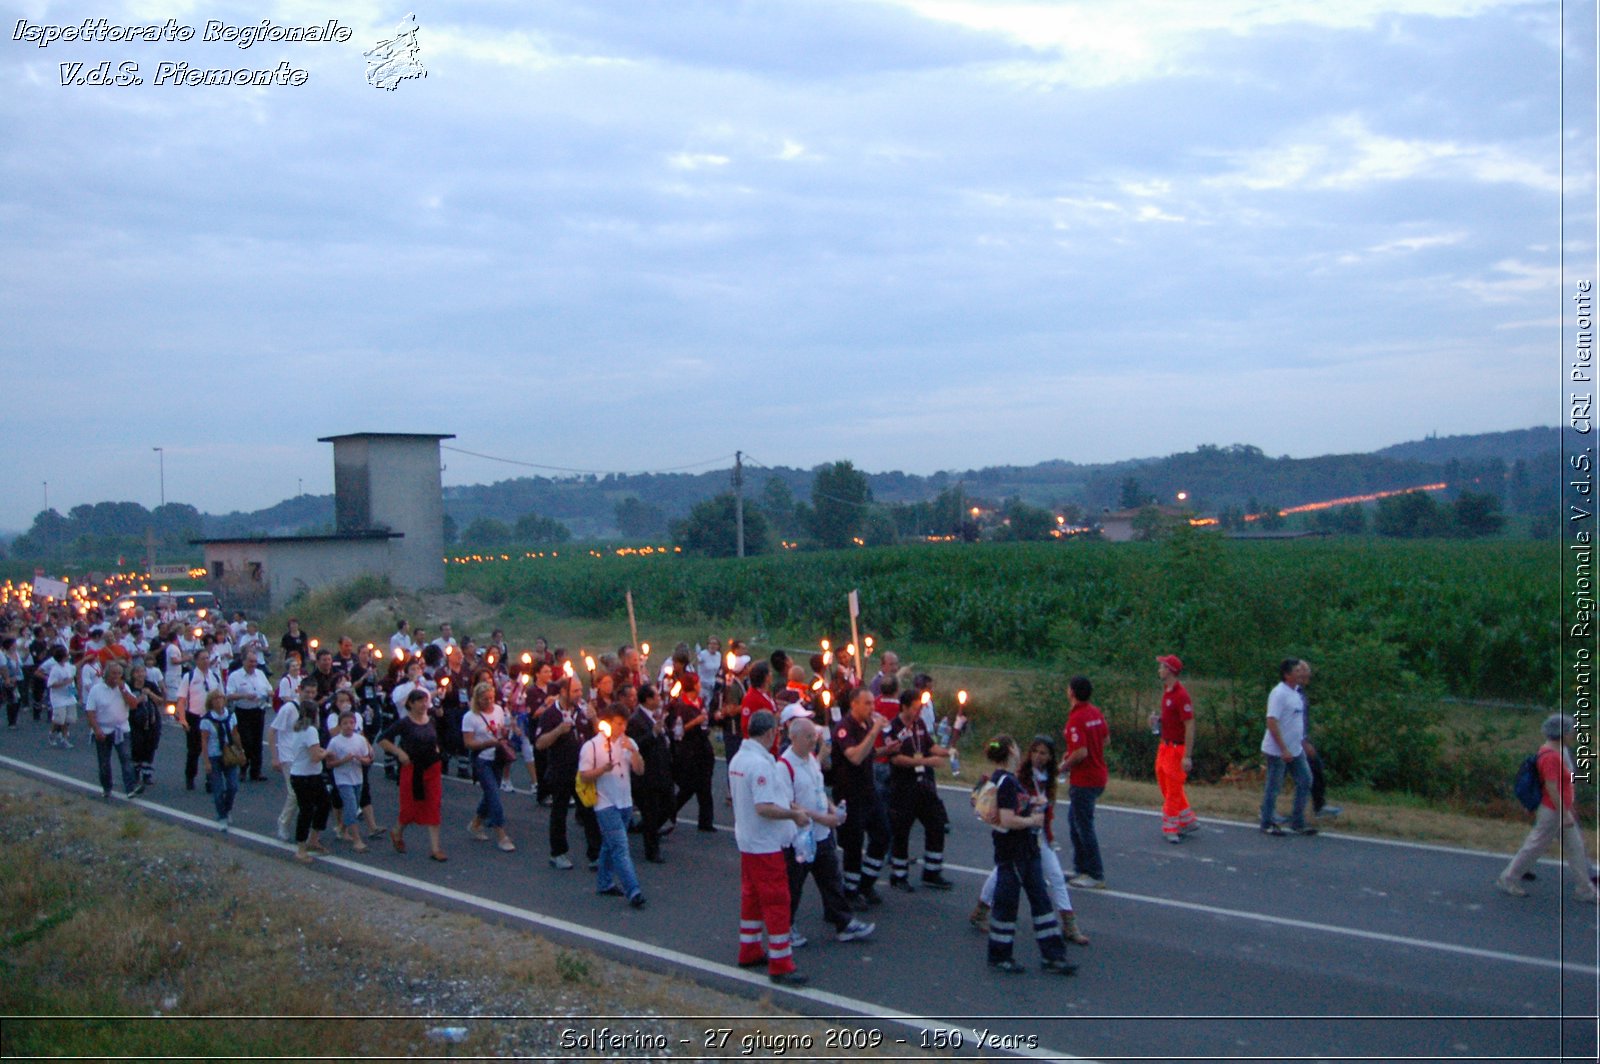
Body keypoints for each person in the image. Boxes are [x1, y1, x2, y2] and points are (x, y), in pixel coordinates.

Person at [980, 734, 1076, 976]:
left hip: (1027, 849)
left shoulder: (1004, 780)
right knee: (1006, 904)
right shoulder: (1007, 782)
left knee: (1041, 900)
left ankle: (1053, 954)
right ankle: (999, 954)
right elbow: (1007, 819)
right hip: (1013, 851)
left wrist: (1033, 806)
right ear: (1012, 751)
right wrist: (1032, 819)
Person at [730, 709, 811, 986]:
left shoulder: (739, 759)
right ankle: (781, 961)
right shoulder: (761, 764)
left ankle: (749, 946)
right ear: (768, 734)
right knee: (777, 900)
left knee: (751, 896)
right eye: (775, 732)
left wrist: (787, 805)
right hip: (765, 843)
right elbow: (763, 806)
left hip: (747, 839)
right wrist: (793, 815)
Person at [781, 717, 875, 946]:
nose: (813, 741)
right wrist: (823, 817)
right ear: (793, 738)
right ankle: (785, 926)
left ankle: (843, 922)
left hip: (822, 835)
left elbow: (819, 790)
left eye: (814, 736)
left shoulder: (812, 761)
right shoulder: (784, 766)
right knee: (793, 885)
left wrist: (832, 808)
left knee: (832, 881)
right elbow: (789, 804)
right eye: (808, 737)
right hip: (799, 838)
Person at [1498, 714, 1598, 901]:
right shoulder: (1551, 757)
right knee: (1535, 846)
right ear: (1562, 734)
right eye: (1572, 732)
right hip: (1553, 811)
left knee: (1575, 848)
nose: (1574, 735)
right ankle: (1508, 878)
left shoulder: (1557, 752)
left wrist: (1568, 810)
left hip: (1559, 810)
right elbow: (1552, 787)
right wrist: (1564, 814)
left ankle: (1585, 890)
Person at [579, 703, 647, 907]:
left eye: (624, 724)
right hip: (605, 803)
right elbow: (584, 775)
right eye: (618, 724)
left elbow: (640, 770)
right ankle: (633, 889)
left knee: (610, 845)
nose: (622, 728)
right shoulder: (591, 745)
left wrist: (633, 752)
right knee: (620, 846)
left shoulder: (628, 742)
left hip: (625, 802)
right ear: (608, 723)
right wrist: (602, 769)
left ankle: (604, 882)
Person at [884, 689, 953, 891]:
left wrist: (948, 752)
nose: (918, 712)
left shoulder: (919, 724)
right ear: (904, 707)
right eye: (915, 708)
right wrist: (925, 761)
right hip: (903, 786)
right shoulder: (892, 728)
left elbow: (930, 746)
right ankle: (899, 874)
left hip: (924, 786)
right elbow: (895, 758)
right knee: (901, 831)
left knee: (936, 823)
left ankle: (932, 871)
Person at [833, 687, 892, 908]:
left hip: (868, 791)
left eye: (873, 704)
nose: (872, 708)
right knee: (853, 844)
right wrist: (874, 732)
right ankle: (850, 889)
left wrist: (883, 751)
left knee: (882, 835)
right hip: (850, 794)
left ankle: (867, 882)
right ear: (854, 704)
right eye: (867, 704)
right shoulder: (844, 728)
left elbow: (867, 754)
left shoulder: (866, 725)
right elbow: (855, 757)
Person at [536, 675, 600, 869]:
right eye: (575, 691)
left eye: (581, 690)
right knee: (559, 812)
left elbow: (598, 735)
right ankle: (558, 852)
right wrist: (558, 731)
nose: (579, 695)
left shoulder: (582, 711)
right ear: (563, 692)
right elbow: (539, 744)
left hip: (582, 771)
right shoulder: (550, 715)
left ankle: (596, 854)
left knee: (589, 812)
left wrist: (595, 718)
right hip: (561, 771)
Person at [378, 688, 447, 862]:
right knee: (410, 807)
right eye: (420, 701)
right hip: (413, 768)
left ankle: (435, 848)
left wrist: (437, 750)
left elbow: (435, 738)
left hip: (431, 766)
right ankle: (398, 831)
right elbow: (383, 739)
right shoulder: (405, 723)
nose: (425, 704)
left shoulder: (430, 720)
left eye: (426, 701)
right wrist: (399, 752)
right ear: (411, 703)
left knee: (433, 804)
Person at [1260, 659, 1317, 837]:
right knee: (1274, 785)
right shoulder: (1279, 693)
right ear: (1287, 675)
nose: (1301, 674)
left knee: (1306, 780)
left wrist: (1301, 742)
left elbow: (1296, 721)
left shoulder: (1296, 693)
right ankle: (1267, 822)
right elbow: (1271, 721)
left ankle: (1297, 821)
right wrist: (1283, 748)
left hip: (1295, 748)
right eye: (1296, 671)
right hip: (1279, 750)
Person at [1062, 675, 1109, 889]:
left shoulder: (1077, 718)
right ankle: (1081, 868)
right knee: (1075, 821)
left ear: (1072, 692)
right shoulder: (1095, 713)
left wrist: (1063, 766)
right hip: (1098, 774)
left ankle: (1095, 872)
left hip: (1085, 779)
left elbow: (1080, 752)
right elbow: (1105, 739)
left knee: (1083, 825)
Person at [1150, 655, 1200, 843]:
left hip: (1176, 748)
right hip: (1165, 745)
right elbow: (1171, 719)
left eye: (1162, 667)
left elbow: (1189, 724)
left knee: (1173, 787)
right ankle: (1187, 818)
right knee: (1164, 782)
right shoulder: (1167, 692)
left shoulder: (1181, 695)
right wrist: (1158, 722)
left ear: (1170, 670)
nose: (1159, 670)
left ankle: (1171, 825)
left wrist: (1186, 755)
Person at [462, 681, 516, 852]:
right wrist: (486, 743)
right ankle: (501, 833)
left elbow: (502, 730)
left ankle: (476, 823)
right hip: (482, 759)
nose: (489, 702)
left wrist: (505, 734)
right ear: (477, 700)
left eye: (491, 698)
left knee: (490, 793)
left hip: (497, 758)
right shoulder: (470, 717)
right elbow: (468, 742)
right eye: (485, 700)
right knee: (493, 795)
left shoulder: (499, 710)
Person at [626, 682, 674, 864]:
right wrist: (653, 734)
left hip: (662, 771)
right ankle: (651, 849)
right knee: (651, 811)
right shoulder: (636, 720)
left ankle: (647, 829)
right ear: (647, 699)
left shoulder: (655, 716)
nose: (659, 699)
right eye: (656, 696)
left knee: (669, 805)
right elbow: (635, 745)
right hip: (647, 775)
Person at [281, 697, 332, 862]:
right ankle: (301, 847)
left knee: (323, 804)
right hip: (305, 776)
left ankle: (313, 839)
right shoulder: (310, 731)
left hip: (308, 775)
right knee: (307, 810)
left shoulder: (298, 729)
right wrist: (326, 752)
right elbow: (315, 757)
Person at [270, 675, 319, 842]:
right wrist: (275, 757)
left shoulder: (311, 708)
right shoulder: (289, 708)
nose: (310, 695)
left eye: (313, 692)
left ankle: (304, 827)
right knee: (294, 794)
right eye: (307, 692)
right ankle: (283, 822)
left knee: (305, 795)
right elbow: (272, 731)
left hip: (302, 757)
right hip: (288, 755)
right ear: (299, 690)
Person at [83, 660, 140, 800]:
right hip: (104, 729)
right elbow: (90, 711)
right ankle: (107, 787)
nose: (117, 676)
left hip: (121, 728)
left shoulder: (124, 687)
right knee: (104, 762)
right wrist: (96, 729)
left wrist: (124, 690)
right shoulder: (97, 689)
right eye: (114, 673)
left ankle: (130, 788)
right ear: (107, 674)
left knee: (126, 758)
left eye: (119, 673)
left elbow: (133, 705)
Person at [669, 673, 716, 832]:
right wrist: (695, 722)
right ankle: (668, 813)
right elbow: (678, 729)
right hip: (690, 751)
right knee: (689, 787)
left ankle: (706, 821)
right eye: (698, 682)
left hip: (703, 748)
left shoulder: (700, 702)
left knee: (705, 786)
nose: (700, 685)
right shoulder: (681, 706)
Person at [325, 709, 375, 853]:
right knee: (351, 807)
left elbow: (368, 759)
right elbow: (329, 764)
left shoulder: (360, 740)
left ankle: (341, 828)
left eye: (351, 723)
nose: (348, 726)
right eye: (345, 723)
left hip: (357, 778)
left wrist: (360, 759)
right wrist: (343, 760)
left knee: (353, 804)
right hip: (343, 779)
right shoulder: (335, 742)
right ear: (340, 725)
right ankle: (357, 840)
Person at [177, 647, 223, 791]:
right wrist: (183, 719)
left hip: (211, 717)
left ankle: (210, 779)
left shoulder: (215, 676)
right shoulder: (189, 677)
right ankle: (190, 777)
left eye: (207, 658)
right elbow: (181, 699)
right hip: (194, 716)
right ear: (196, 661)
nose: (206, 661)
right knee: (194, 749)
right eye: (202, 658)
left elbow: (221, 696)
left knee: (213, 749)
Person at [225, 648, 273, 782]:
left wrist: (266, 694)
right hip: (243, 712)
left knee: (257, 742)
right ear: (244, 661)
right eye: (251, 661)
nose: (253, 664)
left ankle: (256, 771)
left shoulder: (260, 674)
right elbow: (229, 695)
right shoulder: (235, 676)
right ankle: (243, 767)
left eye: (255, 662)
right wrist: (244, 695)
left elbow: (270, 689)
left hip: (258, 710)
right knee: (246, 741)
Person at [198, 689, 241, 831]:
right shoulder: (206, 720)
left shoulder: (231, 716)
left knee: (233, 786)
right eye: (216, 699)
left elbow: (235, 733)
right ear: (211, 702)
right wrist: (206, 762)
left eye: (221, 698)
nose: (219, 701)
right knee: (218, 789)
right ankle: (222, 815)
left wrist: (240, 750)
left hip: (229, 753)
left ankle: (227, 808)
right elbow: (204, 741)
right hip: (214, 755)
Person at [126, 661, 163, 788]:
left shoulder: (150, 685)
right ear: (133, 674)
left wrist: (150, 693)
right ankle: (135, 772)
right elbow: (126, 703)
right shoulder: (129, 686)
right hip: (135, 721)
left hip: (152, 720)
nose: (140, 674)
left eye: (142, 671)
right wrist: (139, 699)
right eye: (137, 672)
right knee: (137, 745)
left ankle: (147, 773)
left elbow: (160, 701)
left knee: (150, 745)